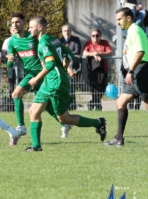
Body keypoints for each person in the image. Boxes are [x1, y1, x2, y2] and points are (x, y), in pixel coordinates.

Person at [26, 16, 107, 151]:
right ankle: (36, 146)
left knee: (61, 117)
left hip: (55, 83)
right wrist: (66, 61)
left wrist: (36, 78)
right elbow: (69, 53)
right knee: (39, 113)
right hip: (52, 81)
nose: (29, 30)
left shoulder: (43, 43)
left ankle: (97, 122)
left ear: (39, 27)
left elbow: (51, 63)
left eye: (31, 27)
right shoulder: (54, 39)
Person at [6, 13, 71, 139]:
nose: (15, 25)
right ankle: (64, 123)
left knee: (16, 94)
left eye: (17, 22)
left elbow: (48, 45)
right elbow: (9, 64)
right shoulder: (12, 41)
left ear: (24, 23)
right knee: (43, 104)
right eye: (12, 22)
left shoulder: (34, 37)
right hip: (31, 74)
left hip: (39, 73)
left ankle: (21, 126)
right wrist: (10, 59)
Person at [105, 7, 148, 146]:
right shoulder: (130, 32)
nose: (118, 22)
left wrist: (130, 70)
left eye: (120, 19)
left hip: (141, 69)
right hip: (136, 71)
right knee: (120, 102)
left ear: (128, 18)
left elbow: (140, 52)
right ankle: (119, 139)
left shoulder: (135, 30)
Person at [83, 29, 113, 111]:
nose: (95, 37)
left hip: (103, 70)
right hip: (92, 70)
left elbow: (110, 52)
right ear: (91, 37)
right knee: (94, 88)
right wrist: (93, 54)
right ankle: (98, 106)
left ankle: (92, 103)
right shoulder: (88, 43)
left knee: (102, 88)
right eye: (93, 36)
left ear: (100, 36)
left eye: (97, 35)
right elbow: (84, 53)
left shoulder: (105, 42)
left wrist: (99, 53)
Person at [59, 24, 82, 111]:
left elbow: (77, 51)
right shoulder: (59, 41)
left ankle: (72, 105)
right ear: (62, 32)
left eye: (68, 30)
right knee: (62, 87)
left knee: (71, 87)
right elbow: (58, 51)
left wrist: (65, 54)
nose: (67, 32)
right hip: (62, 67)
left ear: (71, 31)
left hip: (72, 67)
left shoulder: (76, 40)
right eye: (65, 31)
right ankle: (64, 105)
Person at [2, 25, 24, 97]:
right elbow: (3, 52)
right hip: (11, 64)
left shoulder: (22, 39)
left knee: (20, 81)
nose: (15, 32)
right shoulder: (8, 40)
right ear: (10, 31)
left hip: (20, 64)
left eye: (15, 30)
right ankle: (11, 98)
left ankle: (19, 97)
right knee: (11, 81)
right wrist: (8, 56)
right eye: (13, 30)